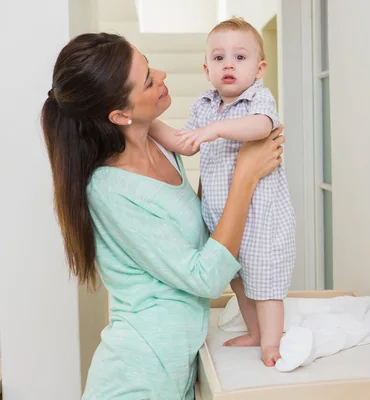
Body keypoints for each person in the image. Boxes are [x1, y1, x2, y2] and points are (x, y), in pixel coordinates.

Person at [41, 32, 285, 399]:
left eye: (150, 63)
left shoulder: (161, 145)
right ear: (120, 114)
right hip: (138, 377)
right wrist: (245, 177)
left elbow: (205, 232)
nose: (163, 74)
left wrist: (232, 171)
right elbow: (205, 277)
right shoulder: (110, 189)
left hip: (177, 369)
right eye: (149, 79)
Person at [149, 17, 295, 367]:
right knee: (239, 280)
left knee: (265, 282)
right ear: (206, 69)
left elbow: (262, 127)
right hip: (224, 218)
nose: (228, 64)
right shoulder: (204, 104)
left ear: (260, 68)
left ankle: (271, 343)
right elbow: (184, 144)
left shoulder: (258, 98)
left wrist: (214, 131)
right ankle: (255, 331)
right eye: (218, 58)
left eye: (240, 57)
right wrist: (148, 124)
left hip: (263, 220)